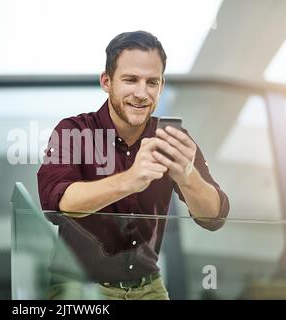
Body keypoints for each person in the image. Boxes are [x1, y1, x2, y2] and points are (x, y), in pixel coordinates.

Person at [37, 30, 230, 300]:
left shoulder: (172, 138)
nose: (142, 93)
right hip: (80, 288)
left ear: (161, 86)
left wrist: (188, 177)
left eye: (152, 82)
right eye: (130, 80)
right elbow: (55, 203)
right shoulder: (74, 131)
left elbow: (214, 216)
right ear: (107, 81)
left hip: (149, 287)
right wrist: (130, 179)